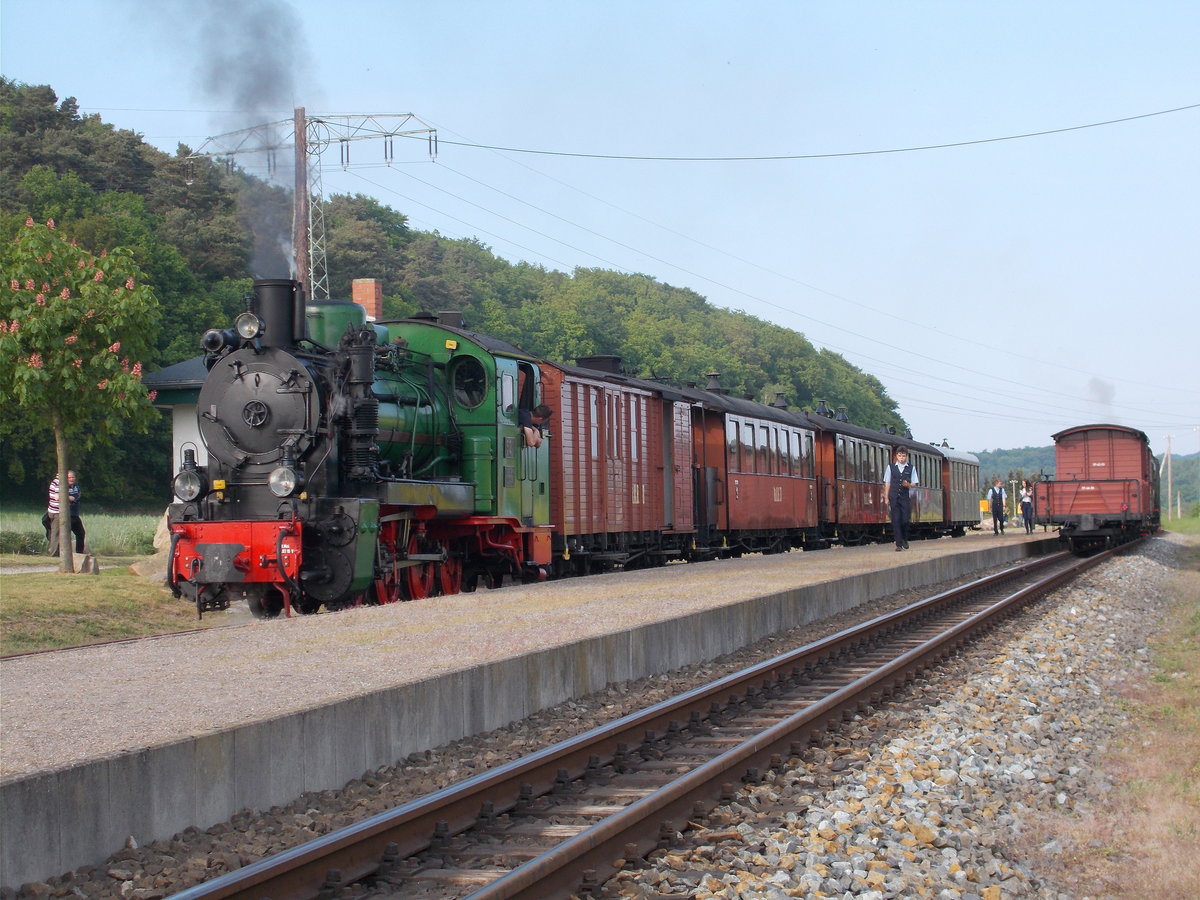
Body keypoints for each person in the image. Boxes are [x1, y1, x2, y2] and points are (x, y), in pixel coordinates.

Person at [43, 470, 86, 556]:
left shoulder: (75, 486)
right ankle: (55, 553)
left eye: (72, 477)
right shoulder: (59, 484)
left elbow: (78, 495)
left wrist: (73, 498)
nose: (71, 479)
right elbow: (57, 497)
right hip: (58, 512)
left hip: (72, 514)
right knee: (57, 533)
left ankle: (79, 554)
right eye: (69, 477)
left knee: (80, 533)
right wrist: (70, 498)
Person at [883, 447, 918, 551]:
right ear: (896, 456)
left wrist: (908, 485)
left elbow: (915, 483)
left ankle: (904, 539)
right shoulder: (891, 467)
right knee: (896, 520)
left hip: (905, 497)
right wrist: (886, 497)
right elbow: (887, 482)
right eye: (899, 456)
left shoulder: (911, 468)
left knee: (905, 520)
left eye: (903, 456)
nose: (901, 458)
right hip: (894, 497)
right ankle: (898, 544)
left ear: (906, 456)